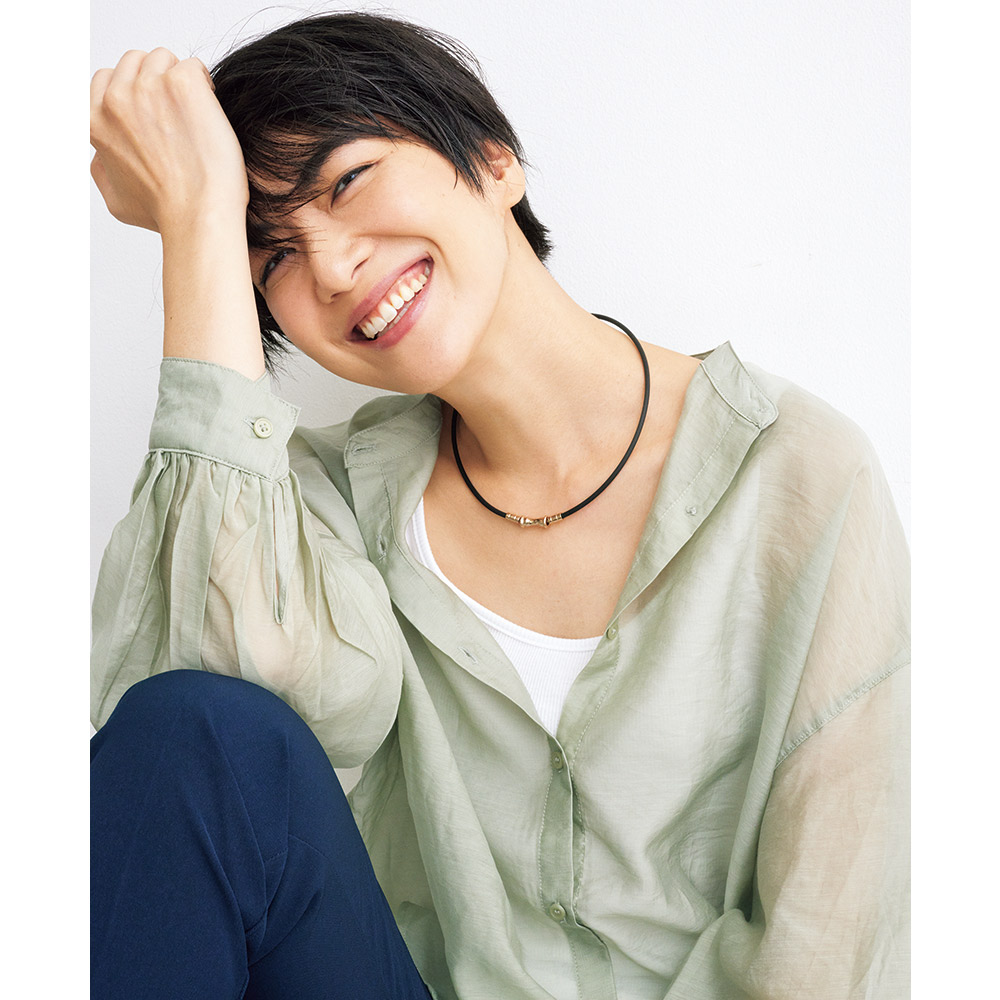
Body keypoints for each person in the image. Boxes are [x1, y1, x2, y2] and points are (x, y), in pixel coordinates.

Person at [89, 11, 910, 1000]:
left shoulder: (797, 476)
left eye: (346, 182)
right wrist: (194, 224)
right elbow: (200, 746)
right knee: (191, 725)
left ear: (493, 159)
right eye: (274, 259)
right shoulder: (323, 508)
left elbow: (832, 927)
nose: (334, 268)